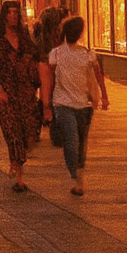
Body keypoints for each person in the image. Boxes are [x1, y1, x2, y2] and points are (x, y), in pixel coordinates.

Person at [42, 15, 108, 197]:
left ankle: (79, 175)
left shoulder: (87, 54)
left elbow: (98, 75)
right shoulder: (56, 54)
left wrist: (104, 96)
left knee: (81, 142)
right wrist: (47, 103)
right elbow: (50, 78)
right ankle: (75, 173)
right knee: (72, 140)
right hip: (63, 103)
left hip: (84, 104)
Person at [0, 0, 42, 192]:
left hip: (25, 92)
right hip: (6, 92)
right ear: (4, 16)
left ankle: (17, 164)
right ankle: (19, 174)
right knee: (12, 131)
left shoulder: (25, 40)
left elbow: (35, 62)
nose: (13, 16)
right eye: (9, 12)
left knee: (27, 131)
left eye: (15, 12)